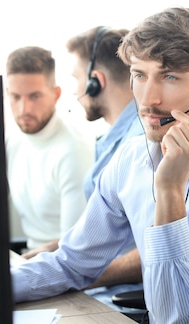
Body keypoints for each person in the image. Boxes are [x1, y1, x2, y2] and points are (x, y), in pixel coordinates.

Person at [11, 8, 189, 323]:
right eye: (140, 75)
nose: (148, 98)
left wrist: (169, 190)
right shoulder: (130, 160)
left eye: (169, 76)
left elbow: (185, 318)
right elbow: (72, 263)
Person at [66, 26, 145, 313]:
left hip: (120, 301)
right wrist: (46, 253)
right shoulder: (113, 140)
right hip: (98, 293)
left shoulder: (140, 143)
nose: (75, 91)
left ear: (95, 82)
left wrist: (77, 277)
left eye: (76, 79)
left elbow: (153, 250)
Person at [5, 46, 94, 259]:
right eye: (15, 97)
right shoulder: (13, 139)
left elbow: (75, 247)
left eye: (34, 96)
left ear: (56, 95)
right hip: (31, 258)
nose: (23, 109)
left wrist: (23, 264)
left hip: (63, 268)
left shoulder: (73, 150)